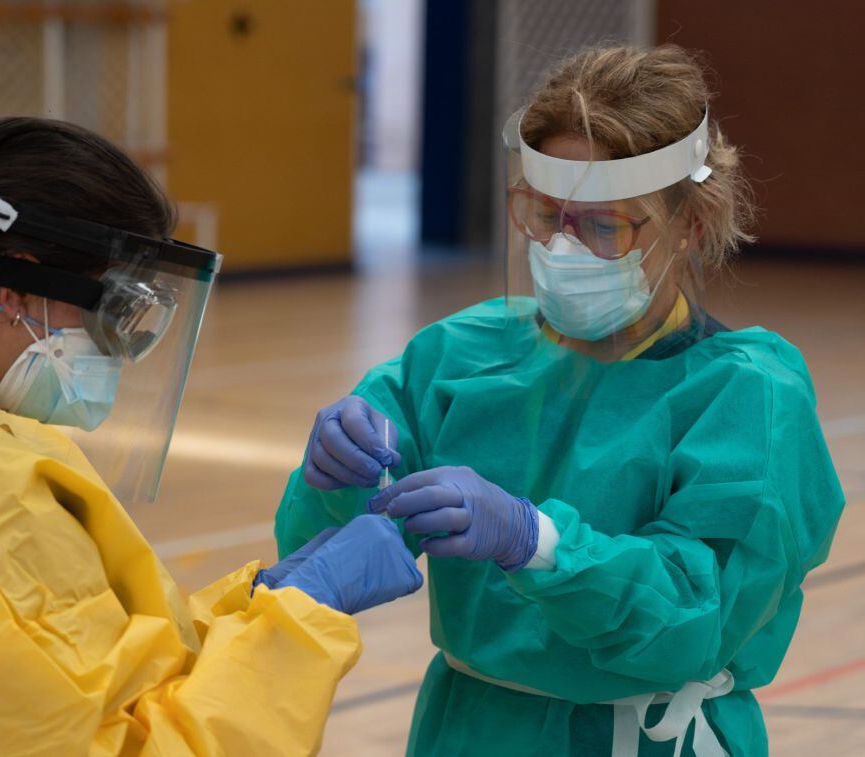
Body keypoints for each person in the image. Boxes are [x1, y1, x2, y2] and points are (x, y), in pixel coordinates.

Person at [0, 117, 423, 756]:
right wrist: (301, 620)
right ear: (14, 284)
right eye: (113, 312)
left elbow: (94, 670)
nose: (117, 352)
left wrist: (257, 603)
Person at [274, 45, 844, 756]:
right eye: (545, 216)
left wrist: (539, 542)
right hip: (468, 728)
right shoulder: (457, 358)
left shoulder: (746, 396)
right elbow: (317, 550)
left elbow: (695, 618)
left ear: (691, 225)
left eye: (605, 226)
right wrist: (332, 479)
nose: (563, 247)